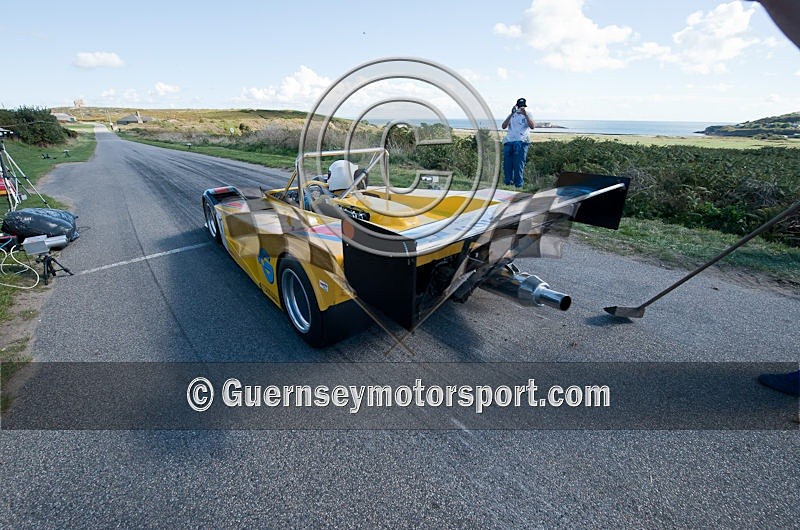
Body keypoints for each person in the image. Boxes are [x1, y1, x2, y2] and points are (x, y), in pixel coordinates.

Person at [501, 97, 535, 188]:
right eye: (519, 106)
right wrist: (511, 114)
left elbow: (532, 126)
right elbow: (503, 126)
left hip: (521, 142)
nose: (521, 108)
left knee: (518, 165)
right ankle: (508, 183)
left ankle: (518, 185)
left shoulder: (528, 114)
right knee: (507, 165)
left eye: (522, 106)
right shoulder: (512, 115)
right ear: (516, 106)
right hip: (509, 141)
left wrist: (525, 114)